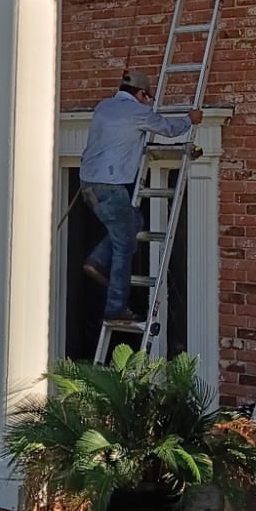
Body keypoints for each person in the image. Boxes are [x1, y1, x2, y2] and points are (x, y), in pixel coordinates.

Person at [78, 69, 202, 326]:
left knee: (132, 221)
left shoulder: (103, 107)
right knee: (124, 245)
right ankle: (116, 308)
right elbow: (168, 129)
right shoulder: (138, 112)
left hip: (88, 185)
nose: (149, 102)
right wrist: (191, 119)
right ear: (140, 93)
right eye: (148, 97)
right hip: (111, 187)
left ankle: (97, 261)